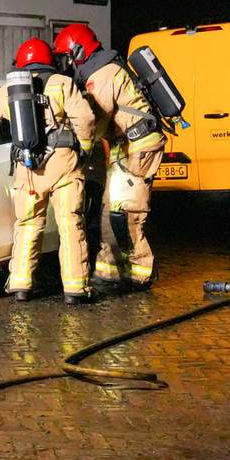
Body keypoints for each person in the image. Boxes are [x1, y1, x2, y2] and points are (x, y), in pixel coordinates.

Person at [0, 37, 96, 304]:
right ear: (50, 60)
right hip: (63, 166)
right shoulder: (63, 84)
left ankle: (20, 285)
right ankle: (75, 289)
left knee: (28, 225)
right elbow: (86, 119)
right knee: (70, 225)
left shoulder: (10, 89)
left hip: (28, 170)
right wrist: (85, 147)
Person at [53, 23, 166, 290]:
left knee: (128, 210)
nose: (66, 63)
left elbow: (96, 123)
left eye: (66, 56)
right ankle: (110, 270)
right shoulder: (101, 70)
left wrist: (75, 142)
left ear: (78, 51)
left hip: (140, 147)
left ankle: (141, 272)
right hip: (126, 147)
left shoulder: (102, 75)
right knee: (110, 208)